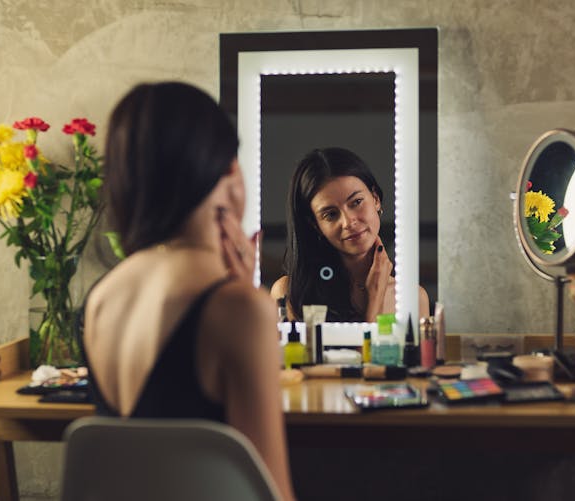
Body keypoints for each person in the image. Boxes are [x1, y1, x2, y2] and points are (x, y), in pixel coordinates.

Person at [81, 82, 295, 501]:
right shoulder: (239, 310)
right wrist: (248, 301)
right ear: (230, 170)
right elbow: (272, 492)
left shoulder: (100, 299)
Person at [271, 147, 429, 322]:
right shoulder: (289, 293)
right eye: (331, 214)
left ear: (375, 199)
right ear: (315, 225)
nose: (349, 222)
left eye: (356, 202)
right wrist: (375, 300)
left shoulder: (413, 298)